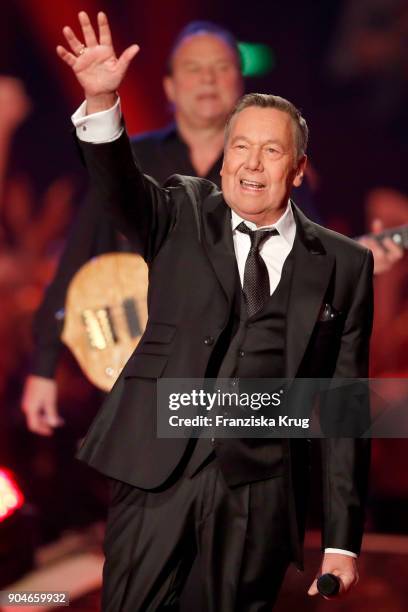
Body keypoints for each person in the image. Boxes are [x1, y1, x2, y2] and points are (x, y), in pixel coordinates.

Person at [55, 12, 373, 610]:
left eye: (271, 150)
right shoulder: (178, 208)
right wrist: (101, 99)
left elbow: (344, 405)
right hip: (158, 468)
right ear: (224, 159)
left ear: (298, 169)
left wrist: (342, 541)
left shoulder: (343, 264)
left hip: (260, 488)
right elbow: (121, 186)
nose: (252, 164)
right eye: (240, 147)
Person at [21, 18, 401, 438]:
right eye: (193, 68)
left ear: (241, 87)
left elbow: (310, 261)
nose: (207, 79)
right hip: (140, 374)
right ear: (169, 87)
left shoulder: (273, 169)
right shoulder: (130, 161)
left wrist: (357, 259)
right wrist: (43, 368)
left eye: (220, 67)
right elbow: (75, 259)